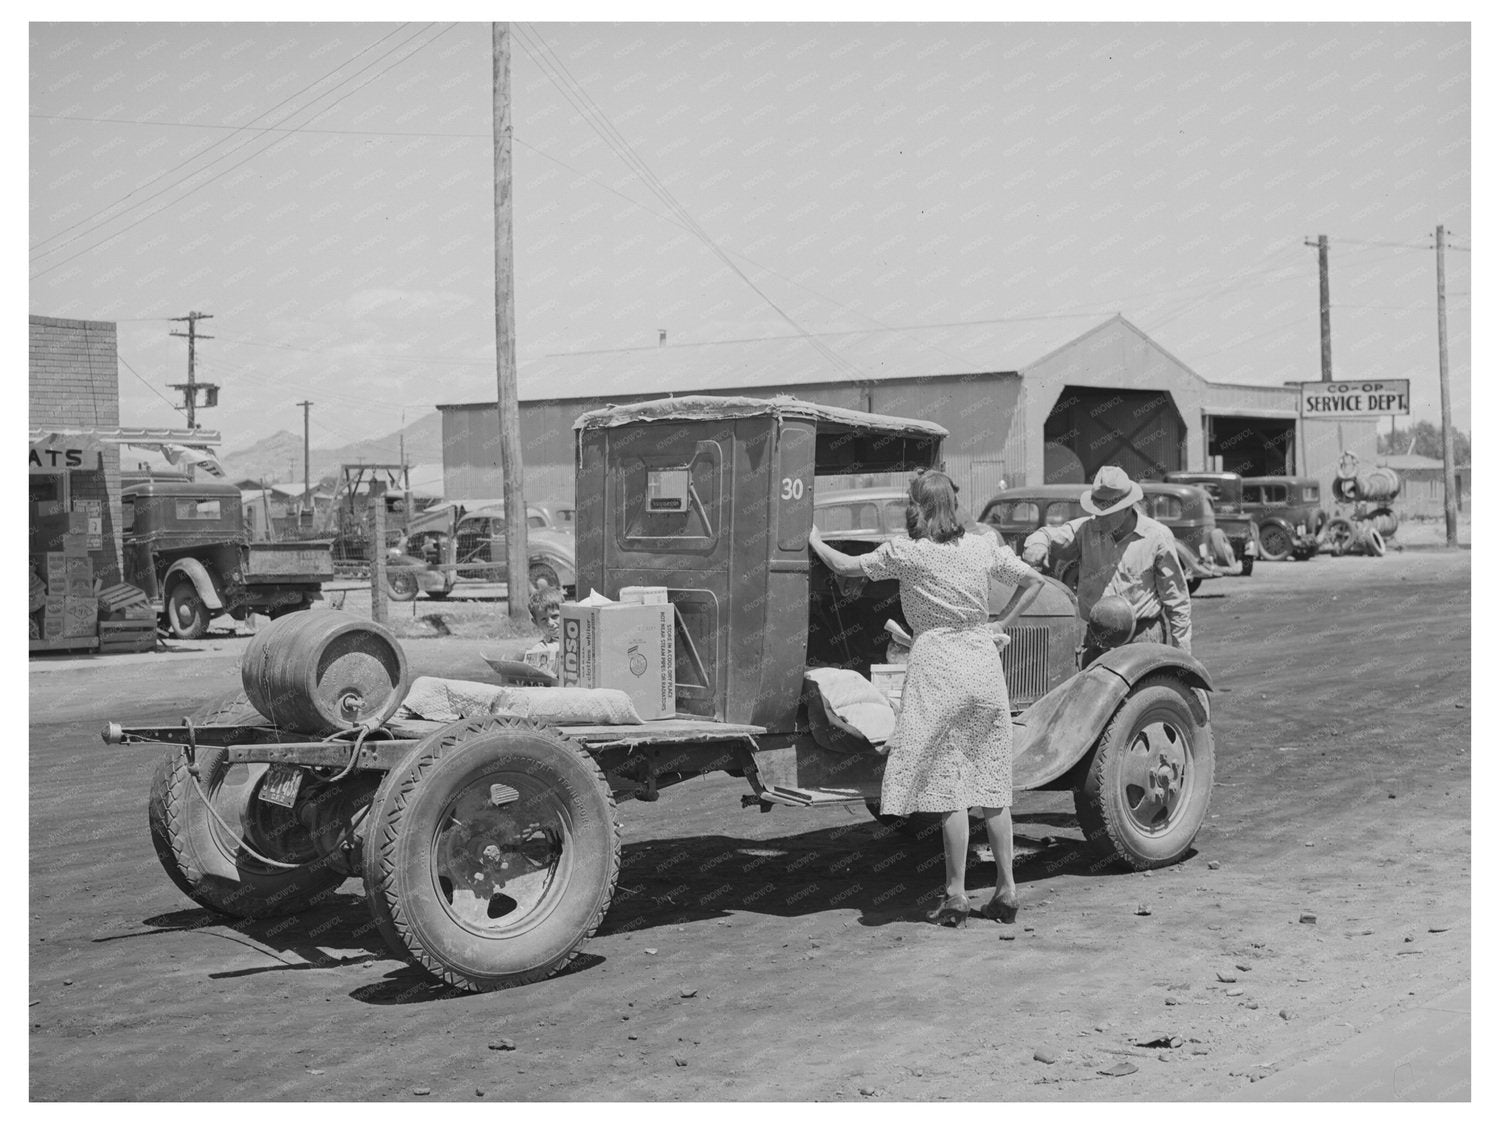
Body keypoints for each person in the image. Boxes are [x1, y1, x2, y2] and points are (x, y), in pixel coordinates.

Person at [808, 469, 1045, 928]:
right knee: (993, 785)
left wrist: (816, 540)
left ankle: (956, 895)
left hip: (937, 666)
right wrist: (1000, 624)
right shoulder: (981, 546)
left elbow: (844, 567)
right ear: (952, 507)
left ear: (916, 508)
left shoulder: (909, 553)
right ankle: (1006, 890)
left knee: (949, 787)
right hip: (982, 664)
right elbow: (1033, 580)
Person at [1021, 466, 1192, 667]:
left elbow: (1177, 601)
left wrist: (1183, 657)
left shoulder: (1157, 537)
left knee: (1140, 697)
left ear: (1128, 508)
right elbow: (1048, 534)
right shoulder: (1086, 530)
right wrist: (1037, 543)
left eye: (1106, 513)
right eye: (1096, 510)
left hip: (1142, 638)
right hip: (1096, 639)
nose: (1098, 517)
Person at [522, 586, 564, 677]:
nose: (550, 623)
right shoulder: (540, 649)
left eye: (555, 616)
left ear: (566, 612)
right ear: (536, 622)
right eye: (544, 619)